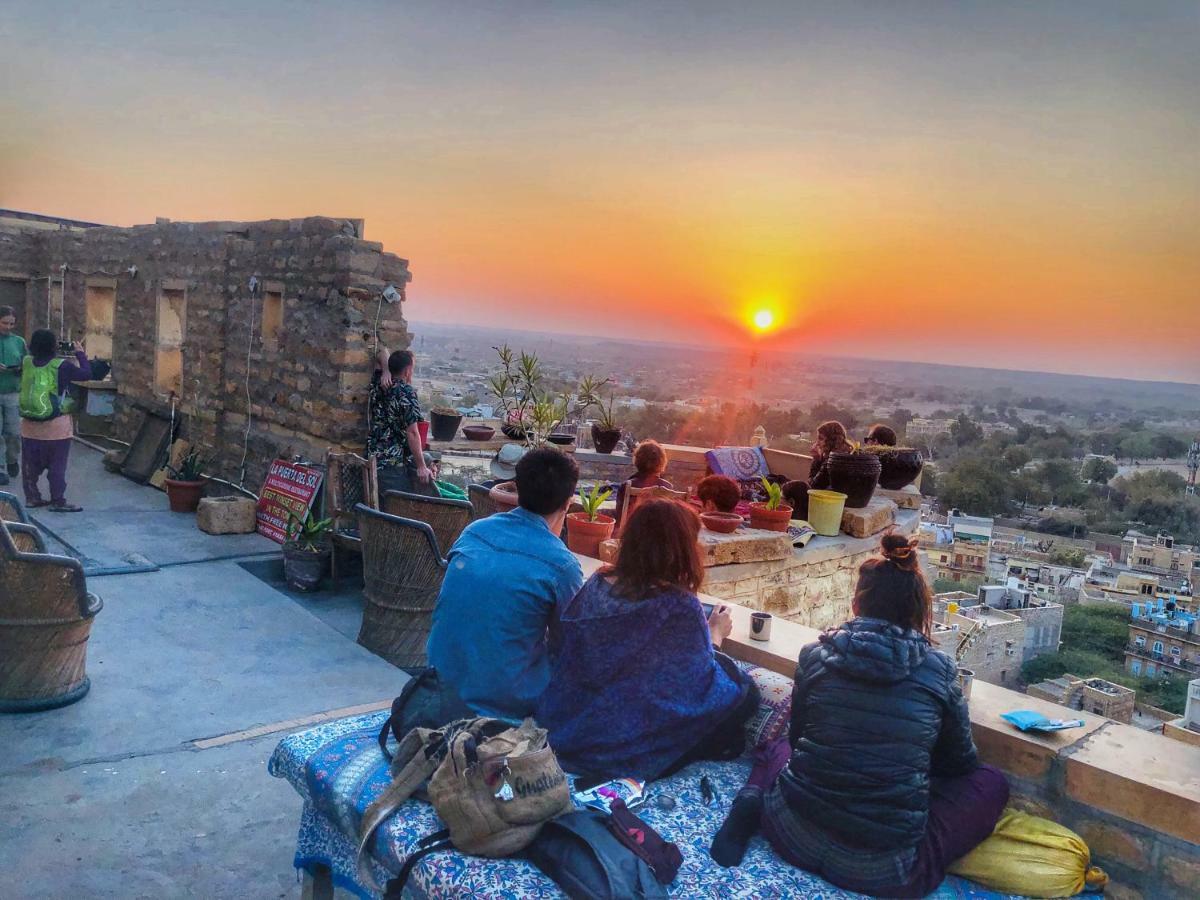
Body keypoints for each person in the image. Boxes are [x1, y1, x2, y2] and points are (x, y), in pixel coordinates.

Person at [710, 534, 1008, 896]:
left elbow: (800, 734)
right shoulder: (939, 670)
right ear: (918, 610)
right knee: (990, 783)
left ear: (856, 604)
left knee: (780, 748)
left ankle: (751, 798)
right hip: (881, 870)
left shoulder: (815, 655)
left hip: (791, 832)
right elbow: (960, 762)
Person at [538, 499, 758, 780]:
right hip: (618, 738)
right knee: (744, 692)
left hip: (568, 721)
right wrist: (714, 634)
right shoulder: (678, 606)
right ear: (682, 549)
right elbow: (697, 680)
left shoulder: (596, 584)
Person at [427, 447, 584, 720]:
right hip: (504, 706)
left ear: (516, 488)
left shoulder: (475, 531)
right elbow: (570, 646)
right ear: (568, 502)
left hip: (437, 688)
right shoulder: (561, 565)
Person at [19, 329, 91, 512]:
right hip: (56, 427)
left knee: (29, 466)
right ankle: (58, 500)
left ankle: (32, 498)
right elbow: (86, 374)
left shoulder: (27, 362)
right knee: (57, 466)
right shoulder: (61, 366)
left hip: (29, 426)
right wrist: (80, 353)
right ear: (54, 345)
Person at [367, 346, 435, 496]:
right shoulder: (406, 393)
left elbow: (382, 352)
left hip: (373, 457)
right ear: (407, 371)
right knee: (399, 510)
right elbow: (412, 433)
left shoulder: (380, 384)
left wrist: (386, 371)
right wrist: (421, 467)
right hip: (392, 463)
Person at [613, 439, 671, 526]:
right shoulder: (668, 487)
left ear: (637, 460)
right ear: (662, 462)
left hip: (632, 535)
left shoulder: (627, 486)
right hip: (661, 537)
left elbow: (620, 518)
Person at [0, 305, 26, 486]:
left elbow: (27, 364)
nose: (8, 327)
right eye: (4, 323)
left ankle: (12, 459)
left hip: (12, 391)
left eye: (11, 324)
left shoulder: (19, 342)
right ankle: (0, 468)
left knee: (14, 432)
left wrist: (18, 368)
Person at [808, 420, 852, 488]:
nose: (817, 443)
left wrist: (816, 459)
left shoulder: (833, 460)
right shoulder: (846, 454)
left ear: (831, 440)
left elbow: (814, 486)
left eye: (821, 438)